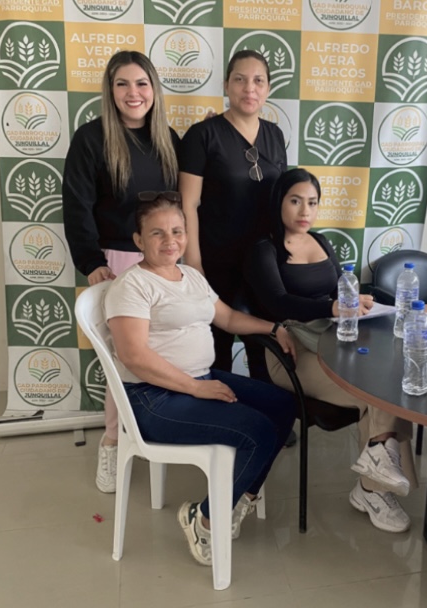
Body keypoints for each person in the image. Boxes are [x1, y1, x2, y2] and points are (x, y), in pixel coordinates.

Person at [104, 193, 297, 565]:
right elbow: (133, 356)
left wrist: (273, 328)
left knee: (282, 405)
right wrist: (195, 388)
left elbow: (227, 318)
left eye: (177, 231)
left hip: (199, 378)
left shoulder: (190, 276)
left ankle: (240, 497)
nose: (170, 240)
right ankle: (204, 518)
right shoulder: (132, 286)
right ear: (139, 240)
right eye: (157, 233)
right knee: (256, 432)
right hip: (152, 398)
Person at [244, 169, 419, 533]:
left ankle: (374, 476)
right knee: (373, 394)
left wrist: (358, 301)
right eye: (295, 201)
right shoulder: (265, 249)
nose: (304, 211)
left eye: (312, 202)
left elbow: (341, 289)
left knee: (386, 384)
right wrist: (332, 307)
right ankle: (374, 486)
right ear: (279, 202)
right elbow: (276, 303)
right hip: (289, 351)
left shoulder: (321, 241)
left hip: (333, 338)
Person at [63, 50, 181, 495]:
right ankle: (112, 442)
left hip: (164, 261)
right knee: (123, 361)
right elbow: (76, 206)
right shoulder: (91, 139)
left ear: (154, 89)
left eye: (142, 83)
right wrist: (92, 262)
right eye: (123, 84)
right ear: (110, 91)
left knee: (165, 354)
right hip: (115, 265)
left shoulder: (168, 139)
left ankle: (157, 431)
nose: (134, 93)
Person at [178, 49, 287, 373]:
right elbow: (188, 203)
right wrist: (194, 264)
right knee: (216, 350)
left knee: (266, 350)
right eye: (240, 79)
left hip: (264, 263)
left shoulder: (275, 134)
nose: (249, 88)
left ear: (268, 88)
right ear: (226, 85)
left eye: (258, 81)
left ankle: (267, 407)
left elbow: (281, 200)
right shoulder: (202, 135)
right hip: (216, 261)